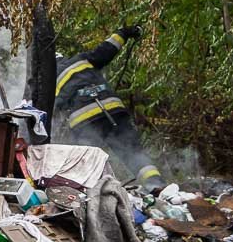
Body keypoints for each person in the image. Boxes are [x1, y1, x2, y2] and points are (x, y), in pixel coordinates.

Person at [54, 25, 165, 193]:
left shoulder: (50, 80)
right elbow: (106, 50)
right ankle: (156, 186)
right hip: (113, 111)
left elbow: (51, 109)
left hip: (85, 122)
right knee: (132, 151)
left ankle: (94, 194)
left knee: (88, 160)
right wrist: (124, 32)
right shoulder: (81, 59)